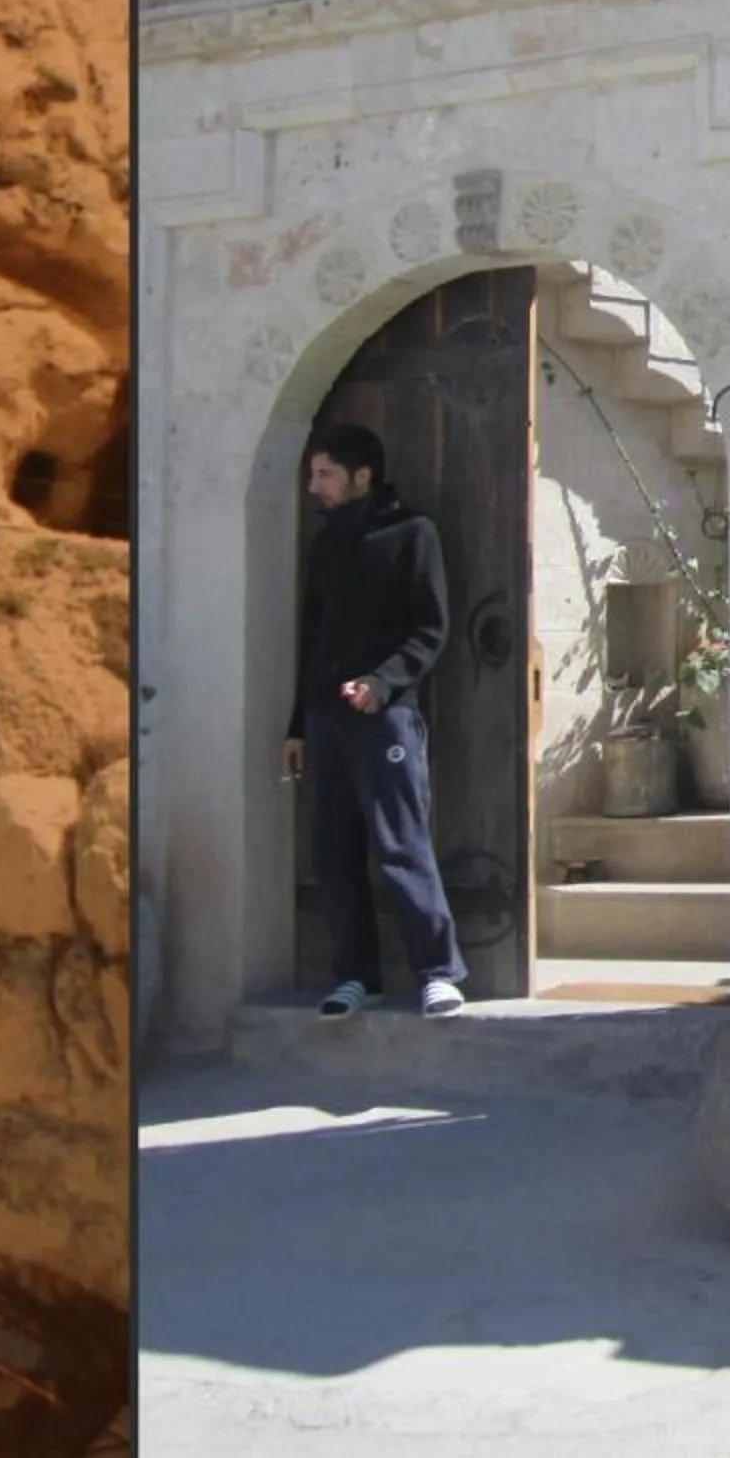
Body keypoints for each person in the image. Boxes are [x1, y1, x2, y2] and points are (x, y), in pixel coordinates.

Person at [280, 422, 470, 1019]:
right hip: (327, 720)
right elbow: (312, 638)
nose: (315, 487)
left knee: (399, 843)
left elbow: (431, 628)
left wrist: (383, 683)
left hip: (386, 718)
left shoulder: (414, 534)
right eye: (313, 475)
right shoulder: (326, 545)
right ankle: (357, 976)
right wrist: (298, 726)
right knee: (334, 851)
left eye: (325, 474)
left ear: (363, 476)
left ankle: (438, 972)